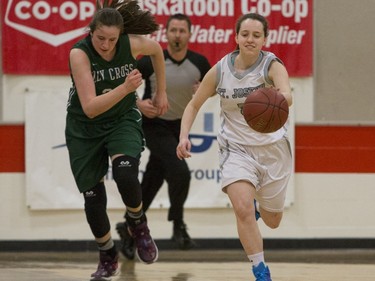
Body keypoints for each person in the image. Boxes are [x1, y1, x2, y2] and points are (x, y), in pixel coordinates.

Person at [176, 13, 293, 281]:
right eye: (245, 34)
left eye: (256, 35)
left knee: (273, 221)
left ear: (264, 38)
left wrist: (273, 97)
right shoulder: (220, 70)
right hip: (236, 149)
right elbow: (194, 104)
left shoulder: (272, 65)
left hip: (273, 149)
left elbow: (288, 95)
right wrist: (184, 135)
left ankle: (258, 210)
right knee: (241, 207)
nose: (250, 39)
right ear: (236, 36)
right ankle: (260, 270)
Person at [65, 1, 168, 280]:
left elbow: (158, 50)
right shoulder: (79, 53)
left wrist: (160, 91)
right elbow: (90, 107)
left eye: (112, 39)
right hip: (84, 128)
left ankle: (138, 223)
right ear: (90, 32)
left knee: (125, 174)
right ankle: (108, 254)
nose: (107, 45)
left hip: (121, 119)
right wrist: (126, 87)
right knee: (93, 198)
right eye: (101, 38)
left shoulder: (130, 44)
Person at [116, 13, 211, 257]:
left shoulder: (200, 63)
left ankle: (129, 228)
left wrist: (206, 92)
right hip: (153, 124)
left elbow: (215, 88)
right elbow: (122, 83)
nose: (177, 35)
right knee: (180, 171)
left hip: (179, 126)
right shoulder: (149, 61)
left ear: (190, 34)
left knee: (153, 179)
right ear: (166, 34)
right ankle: (178, 224)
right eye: (173, 30)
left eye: (182, 30)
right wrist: (138, 104)